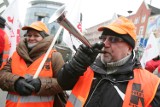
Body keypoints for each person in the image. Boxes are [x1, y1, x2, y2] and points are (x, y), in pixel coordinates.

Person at [57, 16, 160, 107]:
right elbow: (63, 83)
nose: (105, 44)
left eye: (113, 39)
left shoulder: (152, 84)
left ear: (129, 48)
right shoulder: (87, 66)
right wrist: (76, 63)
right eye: (103, 38)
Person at [0, 21, 66, 107]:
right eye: (29, 35)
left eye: (36, 35)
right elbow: (2, 75)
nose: (31, 38)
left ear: (44, 38)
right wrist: (16, 83)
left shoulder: (55, 56)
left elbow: (63, 83)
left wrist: (41, 84)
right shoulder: (16, 54)